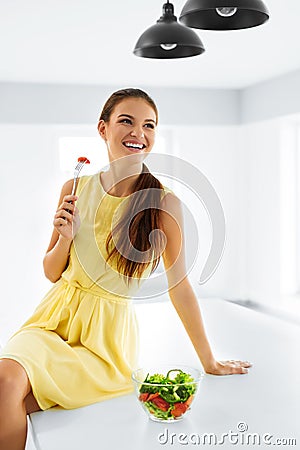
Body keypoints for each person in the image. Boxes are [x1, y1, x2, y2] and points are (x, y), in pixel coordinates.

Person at [0, 88, 251, 450]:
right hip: (50, 324)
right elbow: (51, 271)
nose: (139, 133)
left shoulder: (163, 203)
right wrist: (65, 238)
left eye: (149, 125)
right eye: (126, 121)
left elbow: (178, 286)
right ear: (103, 129)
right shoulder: (73, 187)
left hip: (104, 345)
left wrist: (208, 360)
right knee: (7, 381)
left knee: (9, 397)